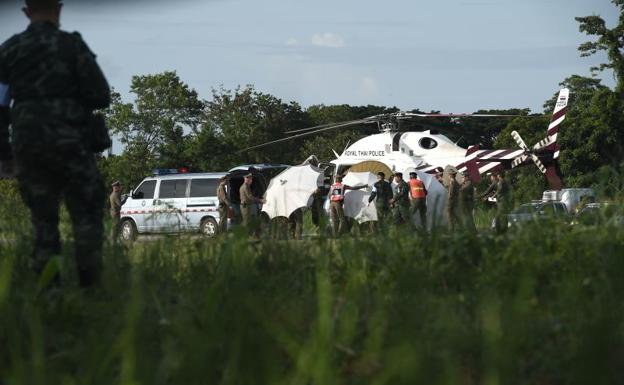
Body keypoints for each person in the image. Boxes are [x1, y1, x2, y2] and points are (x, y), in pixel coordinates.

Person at [0, 0, 111, 287]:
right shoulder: (72, 46)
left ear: (26, 12)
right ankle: (90, 286)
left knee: (43, 219)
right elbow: (101, 94)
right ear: (58, 9)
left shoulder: (10, 49)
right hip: (72, 142)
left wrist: (5, 154)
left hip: (29, 145)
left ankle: (50, 292)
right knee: (86, 214)